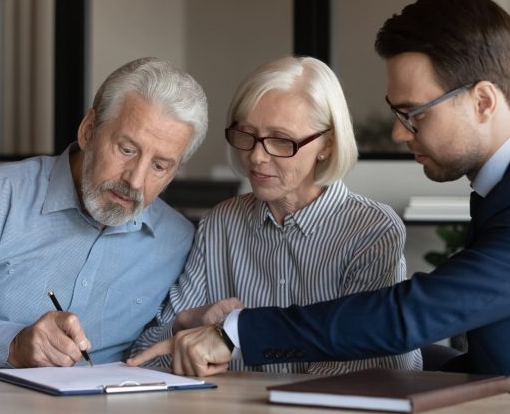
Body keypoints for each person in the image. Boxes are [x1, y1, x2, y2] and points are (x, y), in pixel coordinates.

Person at [131, 0, 510, 385]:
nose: (400, 133)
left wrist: (237, 334)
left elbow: (411, 316)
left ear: (483, 100)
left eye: (415, 114)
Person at [127, 56, 421, 374]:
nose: (255, 156)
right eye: (247, 134)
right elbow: (147, 357)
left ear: (327, 144)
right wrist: (182, 325)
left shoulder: (371, 231)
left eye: (280, 141)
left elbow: (372, 367)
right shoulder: (220, 225)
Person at [0, 57, 208, 368]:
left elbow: (152, 354)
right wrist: (11, 344)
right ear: (88, 130)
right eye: (126, 150)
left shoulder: (178, 242)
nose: (135, 180)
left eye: (159, 166)